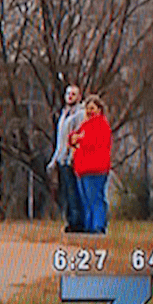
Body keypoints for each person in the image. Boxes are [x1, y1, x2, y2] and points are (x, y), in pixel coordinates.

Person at [67, 95, 113, 235]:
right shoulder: (85, 125)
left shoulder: (102, 125)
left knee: (96, 199)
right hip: (82, 168)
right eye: (87, 108)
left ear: (99, 109)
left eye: (92, 108)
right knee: (85, 200)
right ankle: (89, 226)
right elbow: (73, 138)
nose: (89, 111)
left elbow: (94, 142)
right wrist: (74, 138)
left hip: (96, 168)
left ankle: (98, 226)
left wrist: (80, 139)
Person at [46, 84, 87, 234]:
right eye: (68, 93)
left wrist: (71, 156)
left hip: (73, 160)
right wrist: (54, 160)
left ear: (79, 97)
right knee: (66, 193)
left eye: (74, 94)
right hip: (62, 159)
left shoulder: (80, 115)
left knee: (74, 192)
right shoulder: (64, 115)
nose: (70, 96)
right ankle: (70, 220)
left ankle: (78, 223)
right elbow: (60, 141)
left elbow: (77, 137)